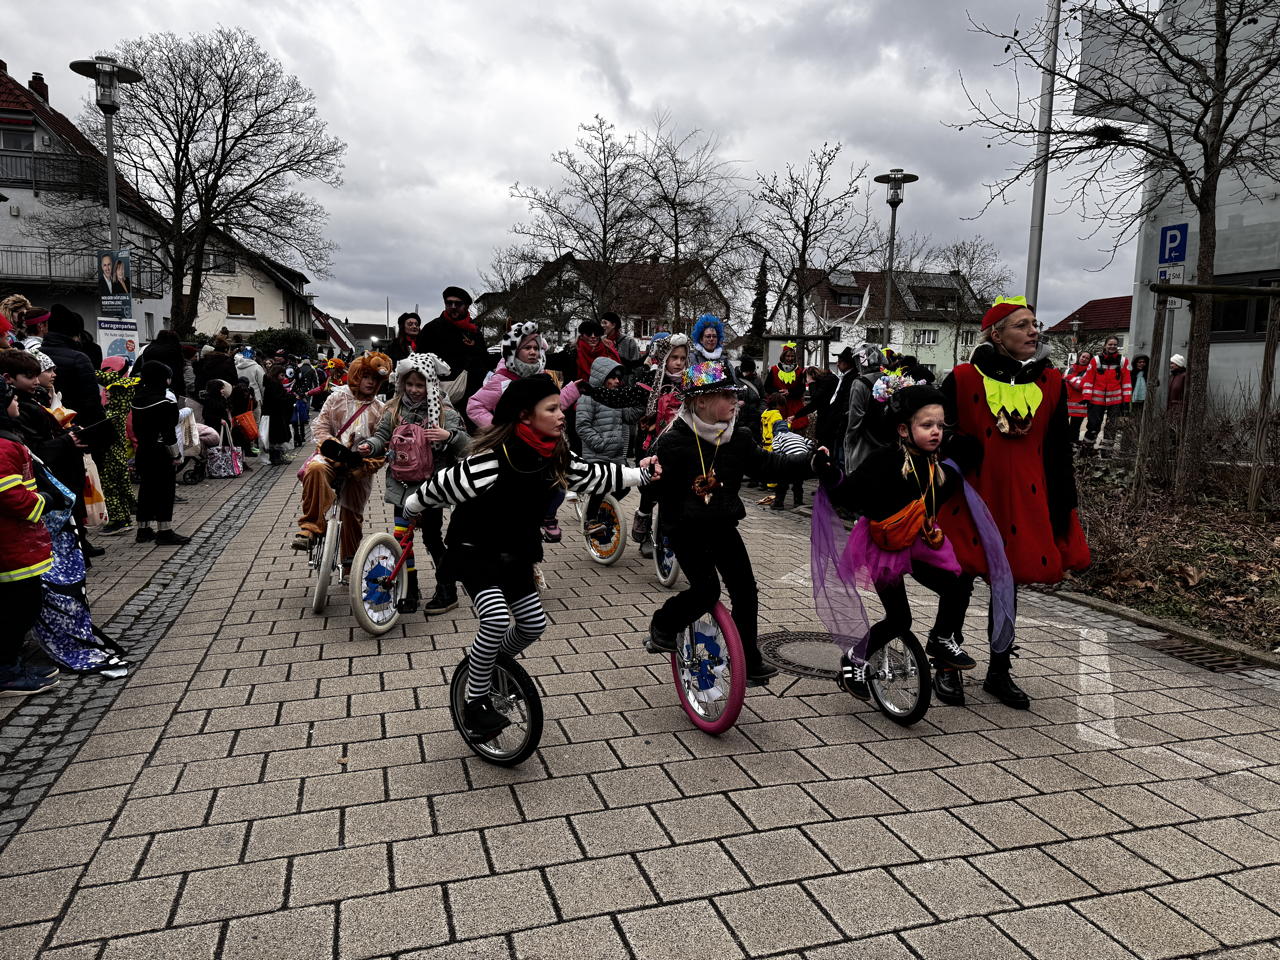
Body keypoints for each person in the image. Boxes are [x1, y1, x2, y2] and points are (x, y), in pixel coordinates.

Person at [403, 374, 656, 740]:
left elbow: (593, 475)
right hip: (475, 549)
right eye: (551, 409)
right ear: (525, 415)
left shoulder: (555, 455)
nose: (561, 415)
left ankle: (488, 667)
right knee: (494, 618)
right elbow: (441, 486)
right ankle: (475, 704)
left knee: (533, 624)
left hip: (516, 550)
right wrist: (411, 507)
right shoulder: (491, 459)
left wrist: (641, 475)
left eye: (560, 407)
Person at [936, 296, 1090, 708]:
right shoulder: (964, 377)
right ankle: (946, 664)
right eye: (1022, 325)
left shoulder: (1051, 383)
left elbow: (1058, 451)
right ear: (996, 334)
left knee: (1008, 583)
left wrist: (1063, 507)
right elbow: (934, 430)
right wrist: (954, 444)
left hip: (1024, 499)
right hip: (971, 495)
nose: (1033, 331)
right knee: (959, 580)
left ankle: (999, 670)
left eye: (1035, 324)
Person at [649, 360, 823, 684]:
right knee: (706, 590)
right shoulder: (673, 441)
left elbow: (771, 465)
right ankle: (664, 623)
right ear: (702, 400)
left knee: (745, 591)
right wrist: (649, 475)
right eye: (728, 395)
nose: (736, 401)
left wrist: (811, 463)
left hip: (722, 525)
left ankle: (748, 657)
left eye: (736, 395)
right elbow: (651, 485)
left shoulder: (738, 437)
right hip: (686, 530)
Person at [818, 384, 980, 703]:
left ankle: (941, 638)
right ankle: (854, 659)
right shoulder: (883, 461)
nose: (936, 432)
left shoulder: (938, 464)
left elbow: (970, 457)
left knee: (958, 583)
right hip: (884, 547)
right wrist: (827, 471)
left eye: (940, 425)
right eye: (927, 425)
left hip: (919, 543)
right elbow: (846, 494)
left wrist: (961, 444)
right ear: (904, 430)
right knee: (899, 619)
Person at [358, 353, 468, 615]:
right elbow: (382, 436)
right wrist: (370, 446)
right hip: (402, 486)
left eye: (420, 385)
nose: (414, 390)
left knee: (432, 538)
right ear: (402, 383)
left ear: (431, 384)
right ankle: (409, 588)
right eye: (409, 384)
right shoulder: (394, 408)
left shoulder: (444, 411)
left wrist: (448, 436)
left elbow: (467, 445)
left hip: (431, 488)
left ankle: (447, 590)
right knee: (401, 539)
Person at [291, 352, 391, 562]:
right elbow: (321, 426)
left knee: (351, 514)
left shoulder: (380, 410)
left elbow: (384, 444)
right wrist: (334, 446)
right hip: (330, 456)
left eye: (375, 379)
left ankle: (349, 564)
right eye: (366, 377)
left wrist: (367, 461)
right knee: (315, 469)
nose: (371, 382)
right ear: (356, 376)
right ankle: (310, 527)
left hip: (359, 465)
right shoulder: (337, 397)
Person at [0, 377, 59, 695]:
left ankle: (11, 663)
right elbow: (11, 496)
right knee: (19, 608)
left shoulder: (8, 439)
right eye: (10, 397)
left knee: (20, 605)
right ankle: (6, 671)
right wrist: (44, 501)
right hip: (10, 543)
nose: (17, 402)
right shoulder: (3, 446)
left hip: (15, 542)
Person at [624, 334, 690, 557]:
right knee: (651, 488)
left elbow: (718, 383)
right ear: (665, 358)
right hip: (651, 442)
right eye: (674, 357)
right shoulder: (652, 378)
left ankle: (665, 535)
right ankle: (643, 521)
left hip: (679, 444)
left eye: (683, 358)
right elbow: (625, 396)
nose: (679, 363)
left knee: (672, 493)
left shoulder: (692, 379)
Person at [576, 357, 642, 538]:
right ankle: (590, 520)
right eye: (612, 378)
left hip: (616, 454)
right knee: (602, 484)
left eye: (618, 378)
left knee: (625, 485)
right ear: (601, 377)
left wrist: (642, 401)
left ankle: (603, 508)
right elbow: (582, 425)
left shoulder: (616, 398)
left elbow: (629, 416)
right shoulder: (588, 397)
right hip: (597, 453)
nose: (616, 381)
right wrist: (600, 443)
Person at [38, 306, 109, 467]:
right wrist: (101, 437)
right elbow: (92, 403)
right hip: (78, 432)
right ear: (75, 333)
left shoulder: (35, 354)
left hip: (46, 435)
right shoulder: (79, 359)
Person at [130, 362, 189, 546]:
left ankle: (143, 529)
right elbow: (168, 434)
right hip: (160, 453)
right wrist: (176, 455)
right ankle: (165, 531)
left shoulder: (137, 400)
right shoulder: (165, 403)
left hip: (143, 450)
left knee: (146, 489)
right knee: (165, 491)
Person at [418, 287, 490, 415]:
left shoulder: (474, 331)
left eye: (458, 304)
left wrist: (474, 347)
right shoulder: (431, 329)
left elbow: (484, 359)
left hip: (473, 396)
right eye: (449, 303)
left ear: (466, 306)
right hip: (443, 395)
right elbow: (420, 361)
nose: (453, 307)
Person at [95, 358, 138, 535]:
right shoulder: (122, 391)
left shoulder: (119, 394)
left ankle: (117, 520)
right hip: (118, 451)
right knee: (119, 485)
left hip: (111, 452)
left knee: (110, 487)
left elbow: (105, 378)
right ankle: (125, 518)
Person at [1080, 336, 1131, 453]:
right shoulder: (1096, 360)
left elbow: (1126, 382)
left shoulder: (1123, 361)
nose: (1112, 346)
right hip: (1096, 400)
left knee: (1111, 427)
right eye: (1110, 344)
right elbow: (1089, 380)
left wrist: (1126, 401)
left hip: (1115, 401)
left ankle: (1106, 452)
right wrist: (1086, 397)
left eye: (1115, 345)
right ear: (1105, 345)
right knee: (1093, 426)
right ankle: (1086, 450)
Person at [766, 341, 809, 433]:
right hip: (778, 405)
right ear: (783, 356)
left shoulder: (799, 371)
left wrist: (790, 392)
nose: (790, 358)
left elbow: (801, 388)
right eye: (788, 356)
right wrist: (779, 393)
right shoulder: (774, 369)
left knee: (797, 428)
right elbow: (767, 386)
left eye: (792, 356)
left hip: (794, 404)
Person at [262, 365, 296, 466]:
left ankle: (276, 457)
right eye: (282, 375)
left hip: (273, 414)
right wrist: (290, 398)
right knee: (276, 437)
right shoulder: (274, 385)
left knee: (275, 437)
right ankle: (276, 458)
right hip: (275, 415)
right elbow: (278, 399)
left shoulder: (271, 384)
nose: (283, 378)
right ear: (276, 374)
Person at [1064, 351, 1093, 440]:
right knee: (1063, 427)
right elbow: (1062, 384)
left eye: (1087, 358)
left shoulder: (1089, 372)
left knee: (1074, 429)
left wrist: (1069, 378)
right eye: (1083, 357)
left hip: (1079, 406)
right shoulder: (1069, 369)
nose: (1084, 359)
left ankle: (1073, 445)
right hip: (1066, 404)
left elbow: (1080, 386)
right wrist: (1076, 380)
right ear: (1079, 357)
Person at [1168, 354, 1188, 427]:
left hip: (1179, 408)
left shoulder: (1184, 376)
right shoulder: (1172, 376)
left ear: (1178, 364)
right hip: (1170, 407)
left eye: (1172, 363)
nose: (1171, 365)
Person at [1130, 354, 1149, 419]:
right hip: (1133, 400)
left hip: (1146, 400)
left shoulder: (1148, 374)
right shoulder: (1131, 374)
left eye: (1143, 362)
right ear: (1135, 363)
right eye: (1139, 362)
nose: (1142, 364)